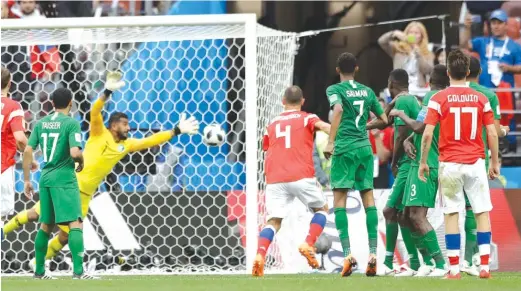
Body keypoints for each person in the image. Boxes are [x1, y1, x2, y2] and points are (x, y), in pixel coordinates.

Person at [3, 72, 200, 269]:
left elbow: (149, 141)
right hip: (70, 185)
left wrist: (176, 131)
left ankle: (36, 262)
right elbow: (95, 112)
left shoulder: (126, 145)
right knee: (36, 215)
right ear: (113, 125)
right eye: (125, 124)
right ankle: (3, 230)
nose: (129, 128)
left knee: (64, 236)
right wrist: (106, 92)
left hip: (85, 195)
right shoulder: (99, 133)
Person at [420, 49, 499, 279]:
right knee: (482, 212)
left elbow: (427, 134)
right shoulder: (482, 98)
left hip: (449, 165)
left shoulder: (438, 99)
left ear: (447, 72)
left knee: (452, 214)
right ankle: (484, 266)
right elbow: (492, 132)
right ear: (467, 72)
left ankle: (454, 269)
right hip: (475, 162)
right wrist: (494, 162)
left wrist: (424, 162)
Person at [252, 86, 331, 277]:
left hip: (275, 178)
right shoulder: (308, 117)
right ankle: (308, 243)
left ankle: (260, 255)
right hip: (302, 175)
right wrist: (335, 138)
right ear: (303, 101)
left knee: (274, 221)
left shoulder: (271, 122)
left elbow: (265, 146)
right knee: (322, 210)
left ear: (282, 101)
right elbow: (326, 127)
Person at [323, 52, 388, 277]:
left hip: (345, 148)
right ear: (357, 69)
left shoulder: (335, 90)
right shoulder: (368, 91)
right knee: (368, 199)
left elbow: (338, 110)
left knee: (339, 201)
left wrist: (331, 141)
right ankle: (372, 254)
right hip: (364, 149)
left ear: (337, 69)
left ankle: (348, 256)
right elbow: (384, 120)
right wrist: (365, 128)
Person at [389, 64, 450, 277]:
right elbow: (422, 130)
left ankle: (440, 263)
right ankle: (425, 263)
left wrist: (399, 114)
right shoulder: (444, 97)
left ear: (431, 79)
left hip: (426, 162)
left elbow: (418, 127)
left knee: (416, 216)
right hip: (425, 161)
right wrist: (407, 140)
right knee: (406, 215)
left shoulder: (434, 96)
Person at [23, 87, 91, 279]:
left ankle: (39, 272)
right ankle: (79, 272)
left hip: (45, 178)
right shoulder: (71, 123)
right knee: (75, 223)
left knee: (46, 225)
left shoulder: (41, 123)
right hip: (64, 178)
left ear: (52, 104)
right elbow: (75, 153)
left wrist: (27, 179)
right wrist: (81, 161)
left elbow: (28, 151)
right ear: (71, 102)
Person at [460, 9, 521, 88]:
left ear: (506, 25)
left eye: (499, 23)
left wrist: (509, 68)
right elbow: (464, 45)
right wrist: (466, 28)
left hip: (504, 92)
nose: (496, 26)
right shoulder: (483, 41)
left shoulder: (515, 46)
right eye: (493, 23)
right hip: (484, 90)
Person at [1, 67, 29, 228]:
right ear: (9, 84)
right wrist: (29, 154)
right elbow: (20, 138)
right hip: (3, 167)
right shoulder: (13, 106)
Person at [378, 22, 434, 91]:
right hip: (400, 88)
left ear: (422, 36)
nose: (413, 35)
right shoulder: (398, 48)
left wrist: (417, 51)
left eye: (416, 33)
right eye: (410, 32)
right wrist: (394, 33)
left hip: (419, 90)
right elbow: (381, 42)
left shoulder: (427, 53)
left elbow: (427, 70)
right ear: (406, 34)